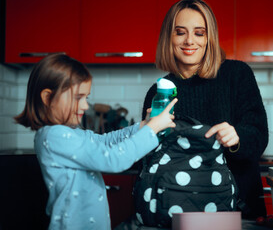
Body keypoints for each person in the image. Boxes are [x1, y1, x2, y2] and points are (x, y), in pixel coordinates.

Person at [14, 53, 177, 230]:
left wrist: (142, 127)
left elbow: (104, 141)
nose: (85, 105)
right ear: (47, 98)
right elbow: (112, 159)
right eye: (78, 98)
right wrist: (151, 131)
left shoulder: (69, 133)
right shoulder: (55, 136)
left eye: (86, 98)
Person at [142, 0, 268, 220]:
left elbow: (258, 136)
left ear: (210, 38)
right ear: (168, 38)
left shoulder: (237, 75)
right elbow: (152, 162)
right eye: (180, 32)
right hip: (175, 208)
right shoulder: (158, 92)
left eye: (199, 33)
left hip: (238, 210)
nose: (189, 41)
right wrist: (146, 135)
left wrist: (236, 138)